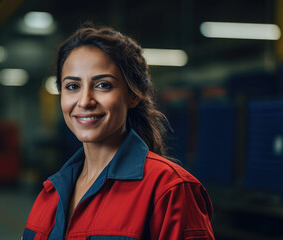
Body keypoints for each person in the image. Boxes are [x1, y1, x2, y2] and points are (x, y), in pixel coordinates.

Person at [23, 24, 214, 240]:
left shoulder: (169, 190)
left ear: (133, 96)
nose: (85, 101)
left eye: (103, 85)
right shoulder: (50, 195)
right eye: (73, 86)